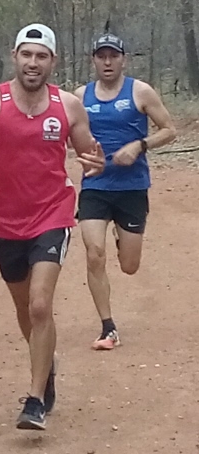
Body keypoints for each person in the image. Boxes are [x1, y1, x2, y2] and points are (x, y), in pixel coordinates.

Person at [0, 24, 105, 430]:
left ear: (53, 62)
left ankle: (35, 400)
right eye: (27, 55)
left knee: (39, 305)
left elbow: (89, 153)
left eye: (42, 56)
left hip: (53, 213)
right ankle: (45, 367)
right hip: (3, 220)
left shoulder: (68, 106)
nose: (33, 63)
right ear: (14, 56)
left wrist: (95, 163)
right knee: (23, 308)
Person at [74, 34, 176, 350]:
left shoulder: (140, 91)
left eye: (113, 56)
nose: (107, 62)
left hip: (132, 187)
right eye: (101, 56)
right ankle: (108, 328)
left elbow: (169, 130)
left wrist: (139, 145)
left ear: (123, 60)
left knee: (130, 266)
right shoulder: (79, 96)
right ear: (93, 60)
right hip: (94, 186)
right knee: (94, 253)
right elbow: (66, 135)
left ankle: (122, 236)